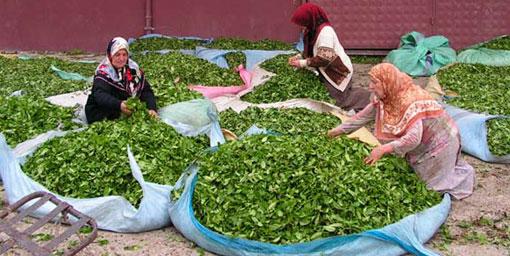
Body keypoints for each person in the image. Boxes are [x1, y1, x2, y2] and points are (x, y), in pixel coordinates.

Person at [328, 63, 475, 200]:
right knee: (415, 178)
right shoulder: (386, 97)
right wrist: (335, 132)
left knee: (432, 189)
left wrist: (383, 149)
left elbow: (413, 139)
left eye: (375, 82)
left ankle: (462, 178)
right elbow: (361, 117)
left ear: (387, 82)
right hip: (422, 144)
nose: (370, 86)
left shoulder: (410, 100)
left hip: (441, 142)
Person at [288, 3, 371, 112]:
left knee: (339, 102)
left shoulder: (325, 33)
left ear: (309, 19)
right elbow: (311, 50)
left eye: (303, 23)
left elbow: (324, 58)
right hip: (327, 71)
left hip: (338, 71)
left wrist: (302, 63)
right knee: (328, 95)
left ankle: (368, 99)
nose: (302, 26)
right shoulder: (311, 30)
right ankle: (352, 93)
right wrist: (298, 57)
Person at [85, 37, 157, 124]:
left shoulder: (133, 69)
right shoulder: (104, 72)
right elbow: (100, 95)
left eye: (124, 54)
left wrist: (152, 108)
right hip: (103, 112)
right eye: (117, 55)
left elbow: (146, 90)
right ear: (110, 55)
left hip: (127, 110)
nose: (121, 58)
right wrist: (119, 105)